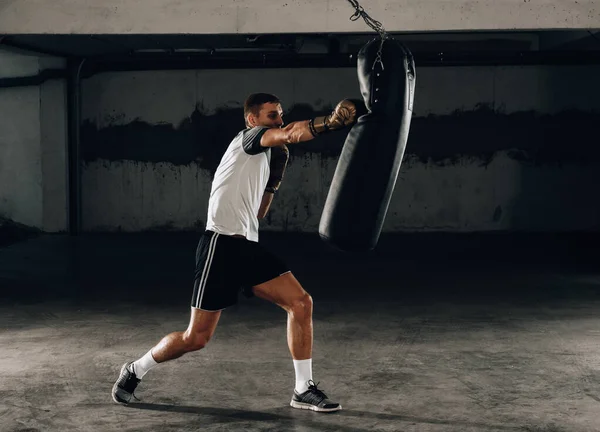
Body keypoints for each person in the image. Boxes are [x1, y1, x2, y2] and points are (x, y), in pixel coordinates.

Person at [111, 93, 357, 412]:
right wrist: (331, 122)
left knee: (301, 303)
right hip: (220, 245)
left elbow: (258, 213)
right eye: (272, 116)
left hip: (245, 247)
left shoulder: (263, 155)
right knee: (196, 338)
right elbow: (292, 133)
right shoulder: (248, 138)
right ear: (253, 120)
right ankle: (135, 369)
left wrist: (274, 179)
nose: (278, 121)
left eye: (280, 115)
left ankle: (302, 389)